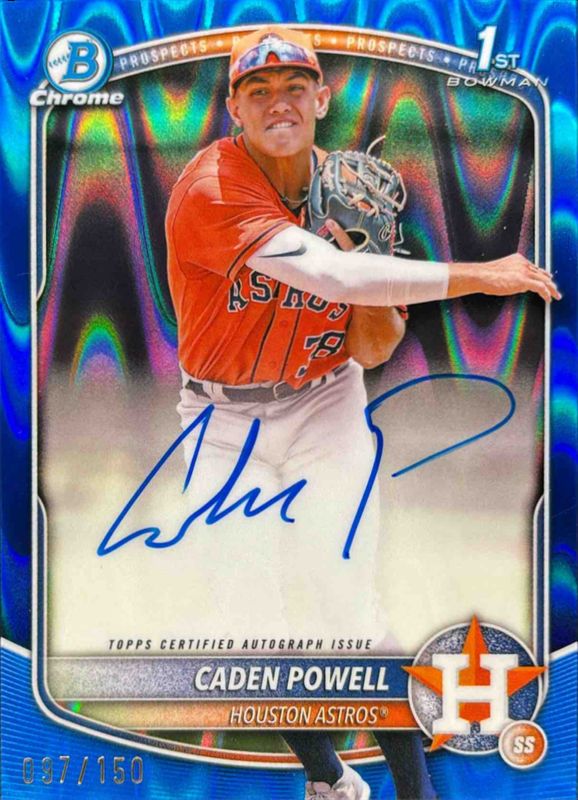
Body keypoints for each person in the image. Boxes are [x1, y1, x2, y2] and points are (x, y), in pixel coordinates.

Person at [165, 25, 560, 800]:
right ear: (233, 109)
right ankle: (330, 780)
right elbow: (331, 278)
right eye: (257, 91)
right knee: (248, 621)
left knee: (347, 608)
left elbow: (372, 344)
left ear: (321, 99)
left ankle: (417, 793)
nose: (277, 102)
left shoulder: (351, 191)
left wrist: (369, 250)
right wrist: (481, 273)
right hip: (220, 419)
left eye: (293, 87)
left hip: (325, 402)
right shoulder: (211, 185)